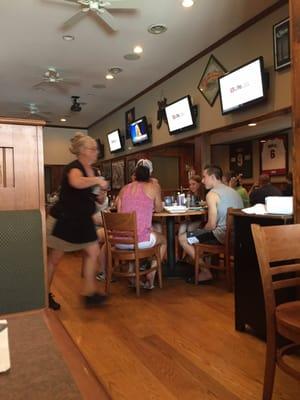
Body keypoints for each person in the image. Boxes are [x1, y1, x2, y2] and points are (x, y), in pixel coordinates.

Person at [47, 132, 108, 310]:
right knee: (55, 259)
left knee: (93, 253)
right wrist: (97, 180)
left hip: (82, 221)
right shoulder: (73, 168)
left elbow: (96, 198)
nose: (96, 152)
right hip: (65, 220)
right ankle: (44, 295)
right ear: (82, 151)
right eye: (93, 149)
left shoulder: (95, 171)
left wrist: (101, 195)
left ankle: (89, 293)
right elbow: (76, 182)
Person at [179, 165, 243, 283]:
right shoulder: (234, 192)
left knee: (183, 238)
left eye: (204, 177)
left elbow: (212, 226)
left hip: (220, 237)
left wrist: (200, 230)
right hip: (237, 237)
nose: (202, 181)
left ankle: (205, 271)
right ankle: (207, 265)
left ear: (213, 177)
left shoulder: (212, 194)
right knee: (198, 232)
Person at [116, 161, 167, 289]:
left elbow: (118, 212)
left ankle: (132, 273)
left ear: (135, 175)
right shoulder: (153, 187)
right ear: (149, 175)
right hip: (140, 240)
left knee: (136, 235)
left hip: (119, 241)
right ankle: (151, 273)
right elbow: (159, 209)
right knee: (163, 240)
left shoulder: (124, 189)